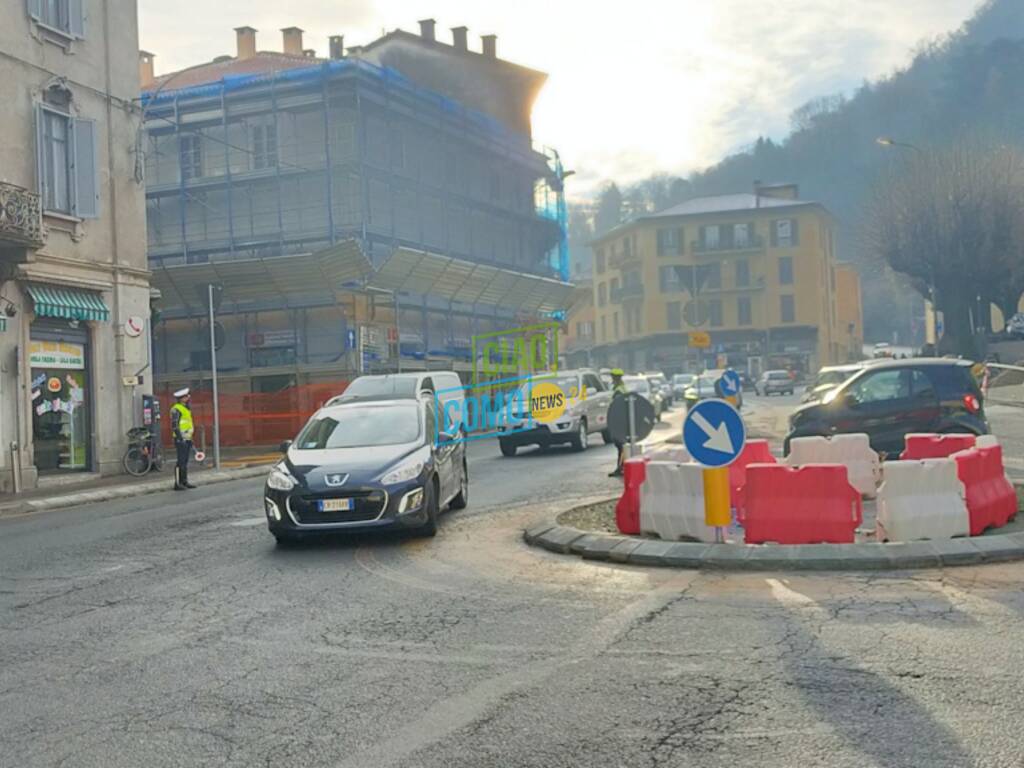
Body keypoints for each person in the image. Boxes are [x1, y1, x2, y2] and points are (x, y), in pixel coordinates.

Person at [170, 388, 197, 490]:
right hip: (180, 439)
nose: (188, 398)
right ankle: (177, 483)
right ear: (181, 398)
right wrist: (180, 438)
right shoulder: (176, 409)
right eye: (186, 396)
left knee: (185, 461)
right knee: (180, 461)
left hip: (187, 438)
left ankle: (184, 481)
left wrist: (190, 438)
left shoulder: (186, 408)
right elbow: (175, 425)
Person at [607, 368, 628, 478]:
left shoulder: (619, 390)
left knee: (621, 447)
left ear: (615, 378)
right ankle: (621, 468)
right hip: (623, 421)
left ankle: (620, 469)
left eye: (613, 377)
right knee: (621, 447)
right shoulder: (622, 388)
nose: (612, 379)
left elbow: (617, 407)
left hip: (619, 422)